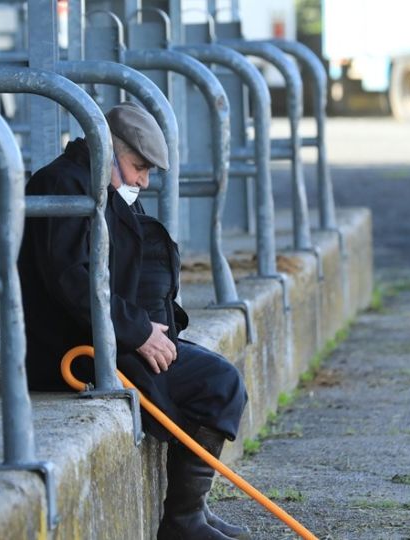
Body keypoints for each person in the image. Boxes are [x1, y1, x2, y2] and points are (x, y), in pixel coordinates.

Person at [18, 102, 249, 540]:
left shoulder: (96, 185)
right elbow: (71, 279)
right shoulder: (62, 184)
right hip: (74, 351)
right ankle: (183, 522)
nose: (143, 180)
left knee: (213, 376)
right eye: (138, 166)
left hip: (106, 338)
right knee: (218, 383)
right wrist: (139, 331)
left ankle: (191, 513)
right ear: (106, 148)